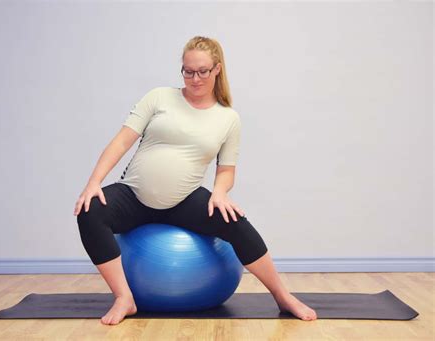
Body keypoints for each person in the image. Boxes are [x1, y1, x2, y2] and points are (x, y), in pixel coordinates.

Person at [74, 36, 317, 325]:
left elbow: (226, 169)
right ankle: (124, 298)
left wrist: (219, 193)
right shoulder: (159, 97)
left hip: (184, 199)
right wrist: (93, 182)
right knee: (89, 210)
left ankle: (282, 296)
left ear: (217, 69)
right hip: (134, 195)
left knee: (236, 223)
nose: (195, 78)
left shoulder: (227, 118)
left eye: (202, 71)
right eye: (188, 71)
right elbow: (120, 143)